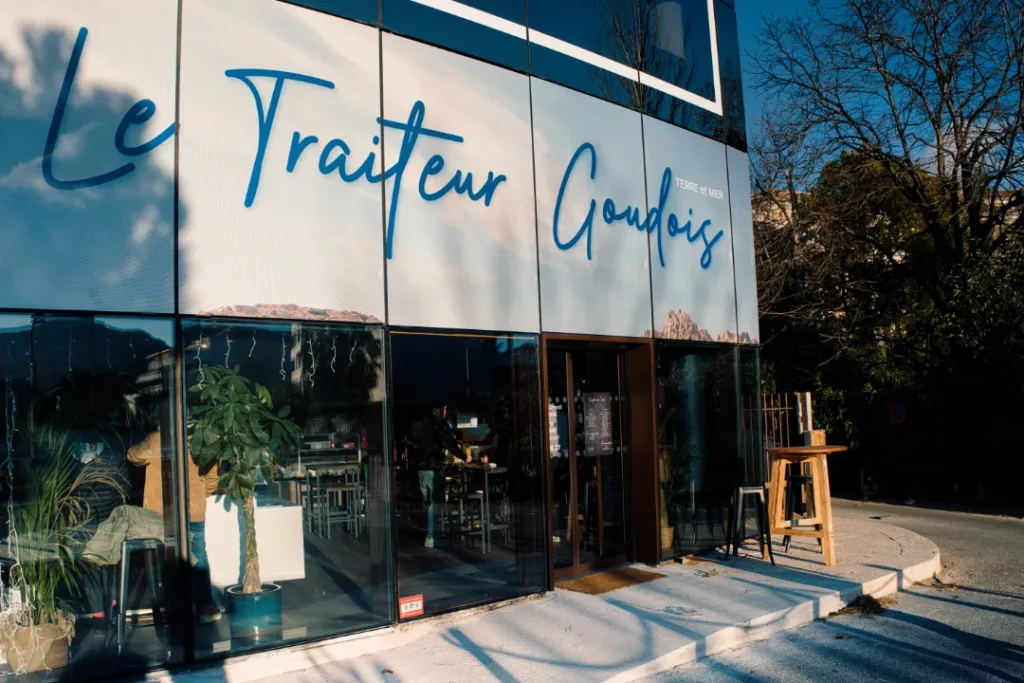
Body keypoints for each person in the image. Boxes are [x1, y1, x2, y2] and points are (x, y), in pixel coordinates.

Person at [127, 426, 221, 623]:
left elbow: (134, 456)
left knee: (167, 556)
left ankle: (174, 606)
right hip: (194, 511)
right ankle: (205, 605)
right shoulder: (206, 438)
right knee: (199, 554)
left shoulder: (157, 438)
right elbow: (213, 478)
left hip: (163, 513)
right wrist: (198, 496)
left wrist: (144, 441)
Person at [409, 405, 463, 548]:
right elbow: (451, 444)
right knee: (436, 505)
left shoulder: (419, 424)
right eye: (444, 408)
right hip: (434, 470)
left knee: (428, 505)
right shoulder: (441, 425)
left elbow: (410, 442)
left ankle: (429, 534)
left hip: (421, 470)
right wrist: (464, 456)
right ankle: (430, 537)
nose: (446, 410)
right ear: (439, 409)